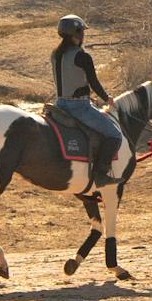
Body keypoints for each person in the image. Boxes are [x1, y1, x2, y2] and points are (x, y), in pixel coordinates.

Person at [51, 13, 124, 188]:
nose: (83, 35)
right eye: (82, 32)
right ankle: (101, 174)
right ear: (77, 33)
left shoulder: (55, 54)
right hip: (79, 107)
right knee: (114, 135)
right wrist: (107, 99)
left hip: (59, 105)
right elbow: (94, 82)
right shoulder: (82, 56)